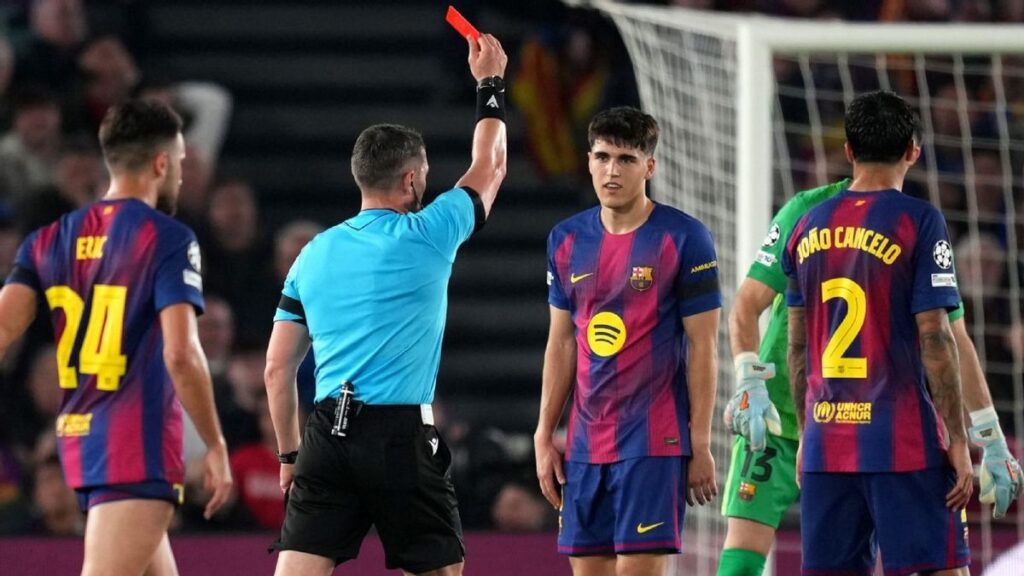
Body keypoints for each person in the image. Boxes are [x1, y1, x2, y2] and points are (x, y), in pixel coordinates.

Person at [263, 33, 508, 576]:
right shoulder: (429, 232)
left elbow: (278, 368)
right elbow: (490, 166)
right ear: (412, 178)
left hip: (327, 432)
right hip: (400, 435)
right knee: (441, 571)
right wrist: (490, 83)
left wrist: (288, 456)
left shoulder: (311, 254)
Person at [719, 179, 1023, 575]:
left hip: (851, 423)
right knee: (742, 558)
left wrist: (992, 437)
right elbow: (746, 305)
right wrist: (749, 380)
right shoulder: (873, 217)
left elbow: (950, 336)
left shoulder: (902, 220)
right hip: (782, 414)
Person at [0, 99, 233, 575]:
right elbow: (182, 353)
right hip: (137, 443)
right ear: (162, 163)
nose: (182, 176)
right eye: (182, 163)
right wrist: (214, 443)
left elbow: (4, 327)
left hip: (81, 439)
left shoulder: (49, 237)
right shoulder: (166, 237)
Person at [783, 90, 975, 575]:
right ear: (914, 149)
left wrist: (808, 431)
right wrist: (956, 436)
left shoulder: (806, 226)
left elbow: (797, 345)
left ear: (848, 151)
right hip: (902, 439)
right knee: (942, 568)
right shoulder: (919, 220)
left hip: (827, 439)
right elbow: (936, 338)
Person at [535, 106, 721, 576]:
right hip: (583, 443)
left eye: (626, 159)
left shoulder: (685, 238)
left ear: (649, 167)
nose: (611, 170)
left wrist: (700, 442)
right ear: (589, 160)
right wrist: (543, 433)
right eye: (602, 157)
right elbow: (560, 343)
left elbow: (704, 346)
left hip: (653, 442)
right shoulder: (565, 239)